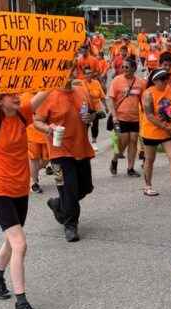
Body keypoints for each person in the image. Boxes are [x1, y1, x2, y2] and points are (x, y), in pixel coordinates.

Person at [0, 89, 50, 309]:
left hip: (20, 189)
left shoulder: (22, 114)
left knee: (11, 241)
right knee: (20, 244)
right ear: (1, 101)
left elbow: (44, 93)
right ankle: (21, 303)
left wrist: (62, 71)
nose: (16, 96)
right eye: (10, 94)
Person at [33, 66, 97, 243]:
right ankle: (70, 225)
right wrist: (49, 128)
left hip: (81, 148)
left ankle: (58, 204)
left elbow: (92, 113)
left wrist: (90, 118)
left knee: (85, 188)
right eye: (63, 69)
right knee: (68, 189)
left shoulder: (81, 90)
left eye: (70, 68)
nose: (68, 72)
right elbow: (37, 121)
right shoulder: (48, 95)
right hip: (58, 152)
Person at [139, 69, 171, 197]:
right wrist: (165, 127)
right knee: (150, 159)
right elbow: (149, 115)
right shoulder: (148, 94)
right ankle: (147, 186)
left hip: (167, 130)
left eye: (167, 78)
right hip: (151, 131)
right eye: (163, 79)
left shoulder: (168, 89)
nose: (166, 81)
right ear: (154, 81)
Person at [107, 57, 145, 177]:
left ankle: (130, 168)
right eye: (123, 67)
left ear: (134, 68)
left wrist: (146, 114)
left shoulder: (140, 83)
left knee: (133, 140)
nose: (124, 69)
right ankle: (114, 159)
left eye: (127, 67)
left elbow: (143, 100)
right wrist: (114, 116)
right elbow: (110, 99)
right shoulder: (117, 81)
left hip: (135, 118)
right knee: (123, 142)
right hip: (121, 117)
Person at [24, 92, 50, 194]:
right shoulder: (24, 96)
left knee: (47, 159)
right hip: (31, 132)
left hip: (46, 132)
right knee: (33, 158)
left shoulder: (47, 94)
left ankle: (29, 174)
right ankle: (33, 182)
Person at [79, 66, 108, 144]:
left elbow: (101, 96)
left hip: (96, 106)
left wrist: (106, 106)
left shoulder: (96, 82)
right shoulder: (81, 83)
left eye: (90, 73)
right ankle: (84, 140)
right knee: (85, 124)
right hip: (85, 107)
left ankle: (94, 140)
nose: (89, 75)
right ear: (84, 75)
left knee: (95, 124)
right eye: (87, 73)